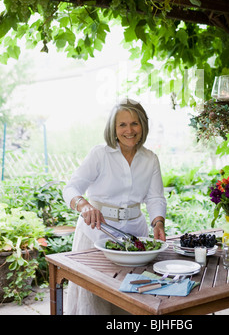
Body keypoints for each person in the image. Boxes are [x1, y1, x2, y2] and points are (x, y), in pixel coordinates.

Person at [63, 98, 167, 315]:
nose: (129, 130)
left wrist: (158, 223)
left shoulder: (150, 159)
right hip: (95, 233)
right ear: (113, 128)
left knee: (132, 299)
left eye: (134, 123)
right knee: (94, 300)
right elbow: (71, 188)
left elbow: (155, 198)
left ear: (143, 126)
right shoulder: (99, 154)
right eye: (122, 124)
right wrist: (84, 206)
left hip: (135, 238)